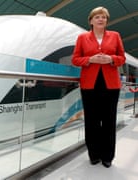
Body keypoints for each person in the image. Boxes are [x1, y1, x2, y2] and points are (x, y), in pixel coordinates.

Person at [72, 7, 126, 168]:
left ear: (106, 21)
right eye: (97, 17)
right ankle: (94, 155)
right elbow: (75, 59)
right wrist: (90, 59)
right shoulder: (82, 37)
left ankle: (108, 156)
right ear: (91, 21)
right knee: (92, 121)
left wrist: (110, 58)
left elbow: (122, 58)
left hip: (111, 85)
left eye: (103, 17)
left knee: (109, 121)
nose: (100, 19)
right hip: (89, 84)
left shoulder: (115, 36)